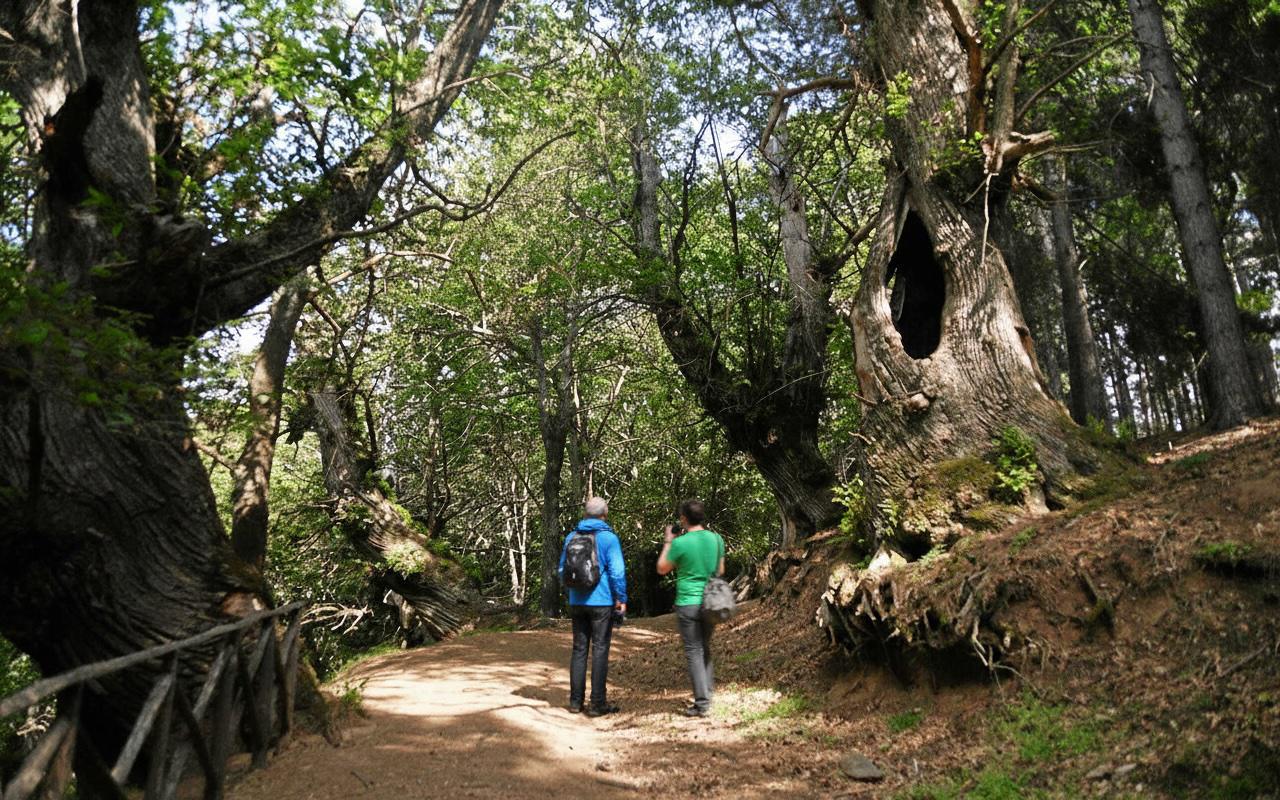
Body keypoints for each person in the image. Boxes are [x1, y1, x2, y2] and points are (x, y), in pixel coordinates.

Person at [559, 496, 627, 717]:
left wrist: (572, 592)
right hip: (602, 601)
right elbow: (617, 572)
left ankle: (575, 702)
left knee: (579, 650)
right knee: (600, 650)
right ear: (604, 515)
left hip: (577, 601)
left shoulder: (571, 536)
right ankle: (597, 704)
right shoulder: (609, 538)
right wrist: (621, 598)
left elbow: (562, 570)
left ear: (585, 514)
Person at [657, 499, 725, 718]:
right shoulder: (716, 539)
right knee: (704, 647)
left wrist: (668, 542)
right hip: (711, 601)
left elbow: (662, 568)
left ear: (683, 519)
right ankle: (708, 695)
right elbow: (720, 570)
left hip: (688, 601)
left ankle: (702, 703)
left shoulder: (680, 543)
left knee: (694, 651)